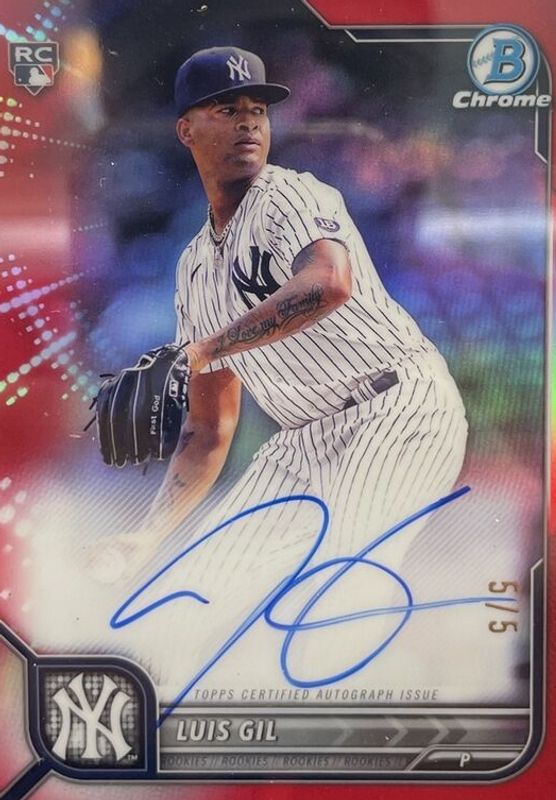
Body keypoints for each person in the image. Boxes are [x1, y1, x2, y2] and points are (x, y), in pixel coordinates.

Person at [111, 46, 468, 698]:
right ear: (186, 129)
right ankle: (172, 726)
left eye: (258, 109)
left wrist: (205, 349)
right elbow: (209, 431)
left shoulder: (292, 194)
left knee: (335, 584)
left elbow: (327, 282)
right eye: (227, 109)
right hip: (305, 437)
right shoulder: (194, 271)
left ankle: (388, 708)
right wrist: (150, 532)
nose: (249, 122)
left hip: (397, 406)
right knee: (188, 593)